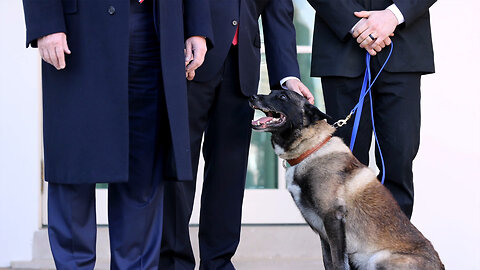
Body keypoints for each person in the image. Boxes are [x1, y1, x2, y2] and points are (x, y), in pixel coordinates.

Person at [22, 0, 212, 269]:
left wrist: (196, 27)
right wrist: (46, 22)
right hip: (79, 30)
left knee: (144, 170)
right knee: (75, 164)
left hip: (155, 26)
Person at [159, 0, 314, 269]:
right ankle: (173, 262)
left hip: (242, 67)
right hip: (190, 56)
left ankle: (218, 262)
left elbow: (278, 10)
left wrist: (287, 76)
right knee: (178, 169)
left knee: (228, 174)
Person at [306, 0, 436, 219]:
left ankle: (393, 249)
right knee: (344, 165)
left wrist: (393, 16)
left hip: (404, 46)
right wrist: (354, 23)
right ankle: (348, 252)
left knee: (399, 156)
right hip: (340, 45)